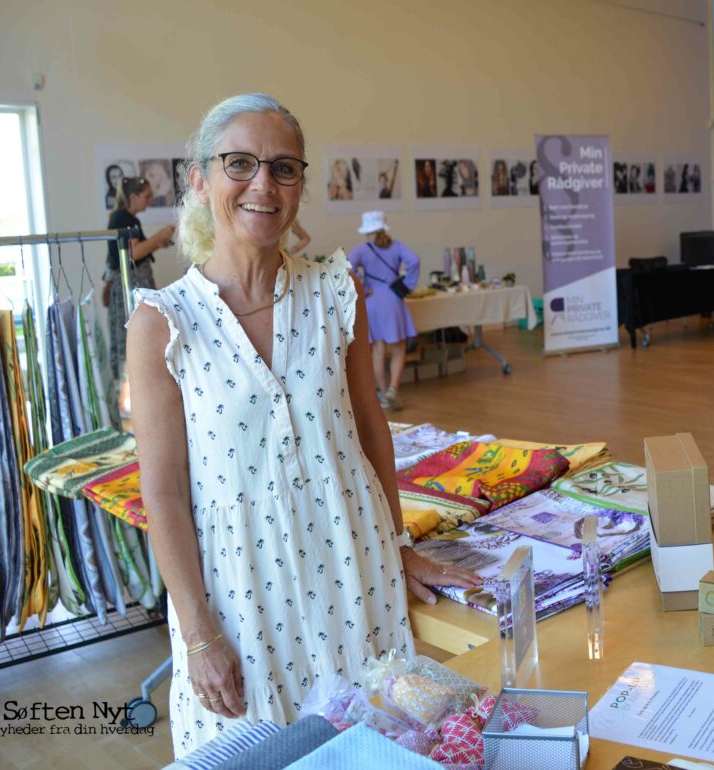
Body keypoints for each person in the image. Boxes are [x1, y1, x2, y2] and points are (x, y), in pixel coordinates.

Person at [125, 94, 477, 760]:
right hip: (240, 595)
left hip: (354, 569)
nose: (263, 183)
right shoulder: (165, 324)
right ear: (200, 179)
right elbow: (165, 490)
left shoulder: (336, 289)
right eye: (240, 164)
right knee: (262, 749)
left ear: (301, 185)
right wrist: (199, 635)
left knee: (373, 743)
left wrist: (394, 543)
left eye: (284, 168)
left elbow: (371, 426)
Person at [347, 211, 421, 411]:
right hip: (393, 299)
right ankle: (393, 390)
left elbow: (346, 267)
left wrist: (362, 286)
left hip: (371, 301)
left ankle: (384, 394)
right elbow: (414, 260)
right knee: (398, 348)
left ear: (366, 231)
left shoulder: (361, 250)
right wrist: (407, 285)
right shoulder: (396, 246)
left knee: (378, 350)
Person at [104, 176, 175, 383]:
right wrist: (159, 237)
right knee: (136, 334)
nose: (150, 200)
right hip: (131, 284)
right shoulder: (125, 219)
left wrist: (157, 244)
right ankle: (136, 384)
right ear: (133, 196)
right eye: (146, 196)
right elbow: (132, 254)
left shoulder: (121, 217)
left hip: (129, 283)